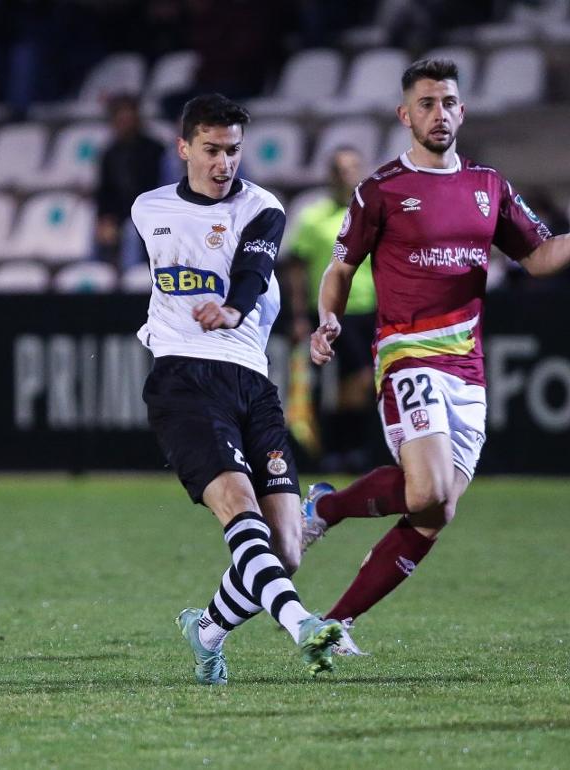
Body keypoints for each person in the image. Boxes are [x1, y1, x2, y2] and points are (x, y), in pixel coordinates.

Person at [303, 58, 570, 654]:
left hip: (467, 369)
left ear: (463, 111)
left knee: (436, 511)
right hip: (407, 355)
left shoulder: (488, 186)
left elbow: (539, 258)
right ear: (405, 115)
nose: (439, 113)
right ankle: (329, 509)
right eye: (426, 104)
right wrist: (328, 318)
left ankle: (335, 619)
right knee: (427, 490)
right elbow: (340, 268)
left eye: (448, 102)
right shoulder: (381, 190)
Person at [132, 93, 342, 685]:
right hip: (183, 378)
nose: (224, 163)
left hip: (252, 381)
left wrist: (232, 309)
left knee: (286, 552)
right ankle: (303, 624)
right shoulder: (148, 209)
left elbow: (252, 270)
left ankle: (205, 633)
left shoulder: (262, 208)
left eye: (233, 150)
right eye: (211, 150)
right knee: (240, 509)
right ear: (184, 148)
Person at [287, 146, 376, 471]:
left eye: (352, 167)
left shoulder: (373, 215)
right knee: (357, 379)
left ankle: (340, 448)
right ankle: (345, 448)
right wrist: (299, 315)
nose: (346, 175)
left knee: (353, 384)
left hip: (370, 309)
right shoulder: (314, 218)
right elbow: (297, 268)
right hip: (332, 311)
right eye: (339, 169)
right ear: (330, 175)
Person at [95, 94, 167, 269]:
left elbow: (158, 187)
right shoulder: (109, 154)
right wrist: (105, 218)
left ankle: (129, 278)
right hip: (119, 214)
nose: (125, 123)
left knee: (130, 231)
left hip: (149, 212)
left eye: (128, 118)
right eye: (120, 119)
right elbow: (105, 191)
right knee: (95, 230)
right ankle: (95, 274)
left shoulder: (155, 150)